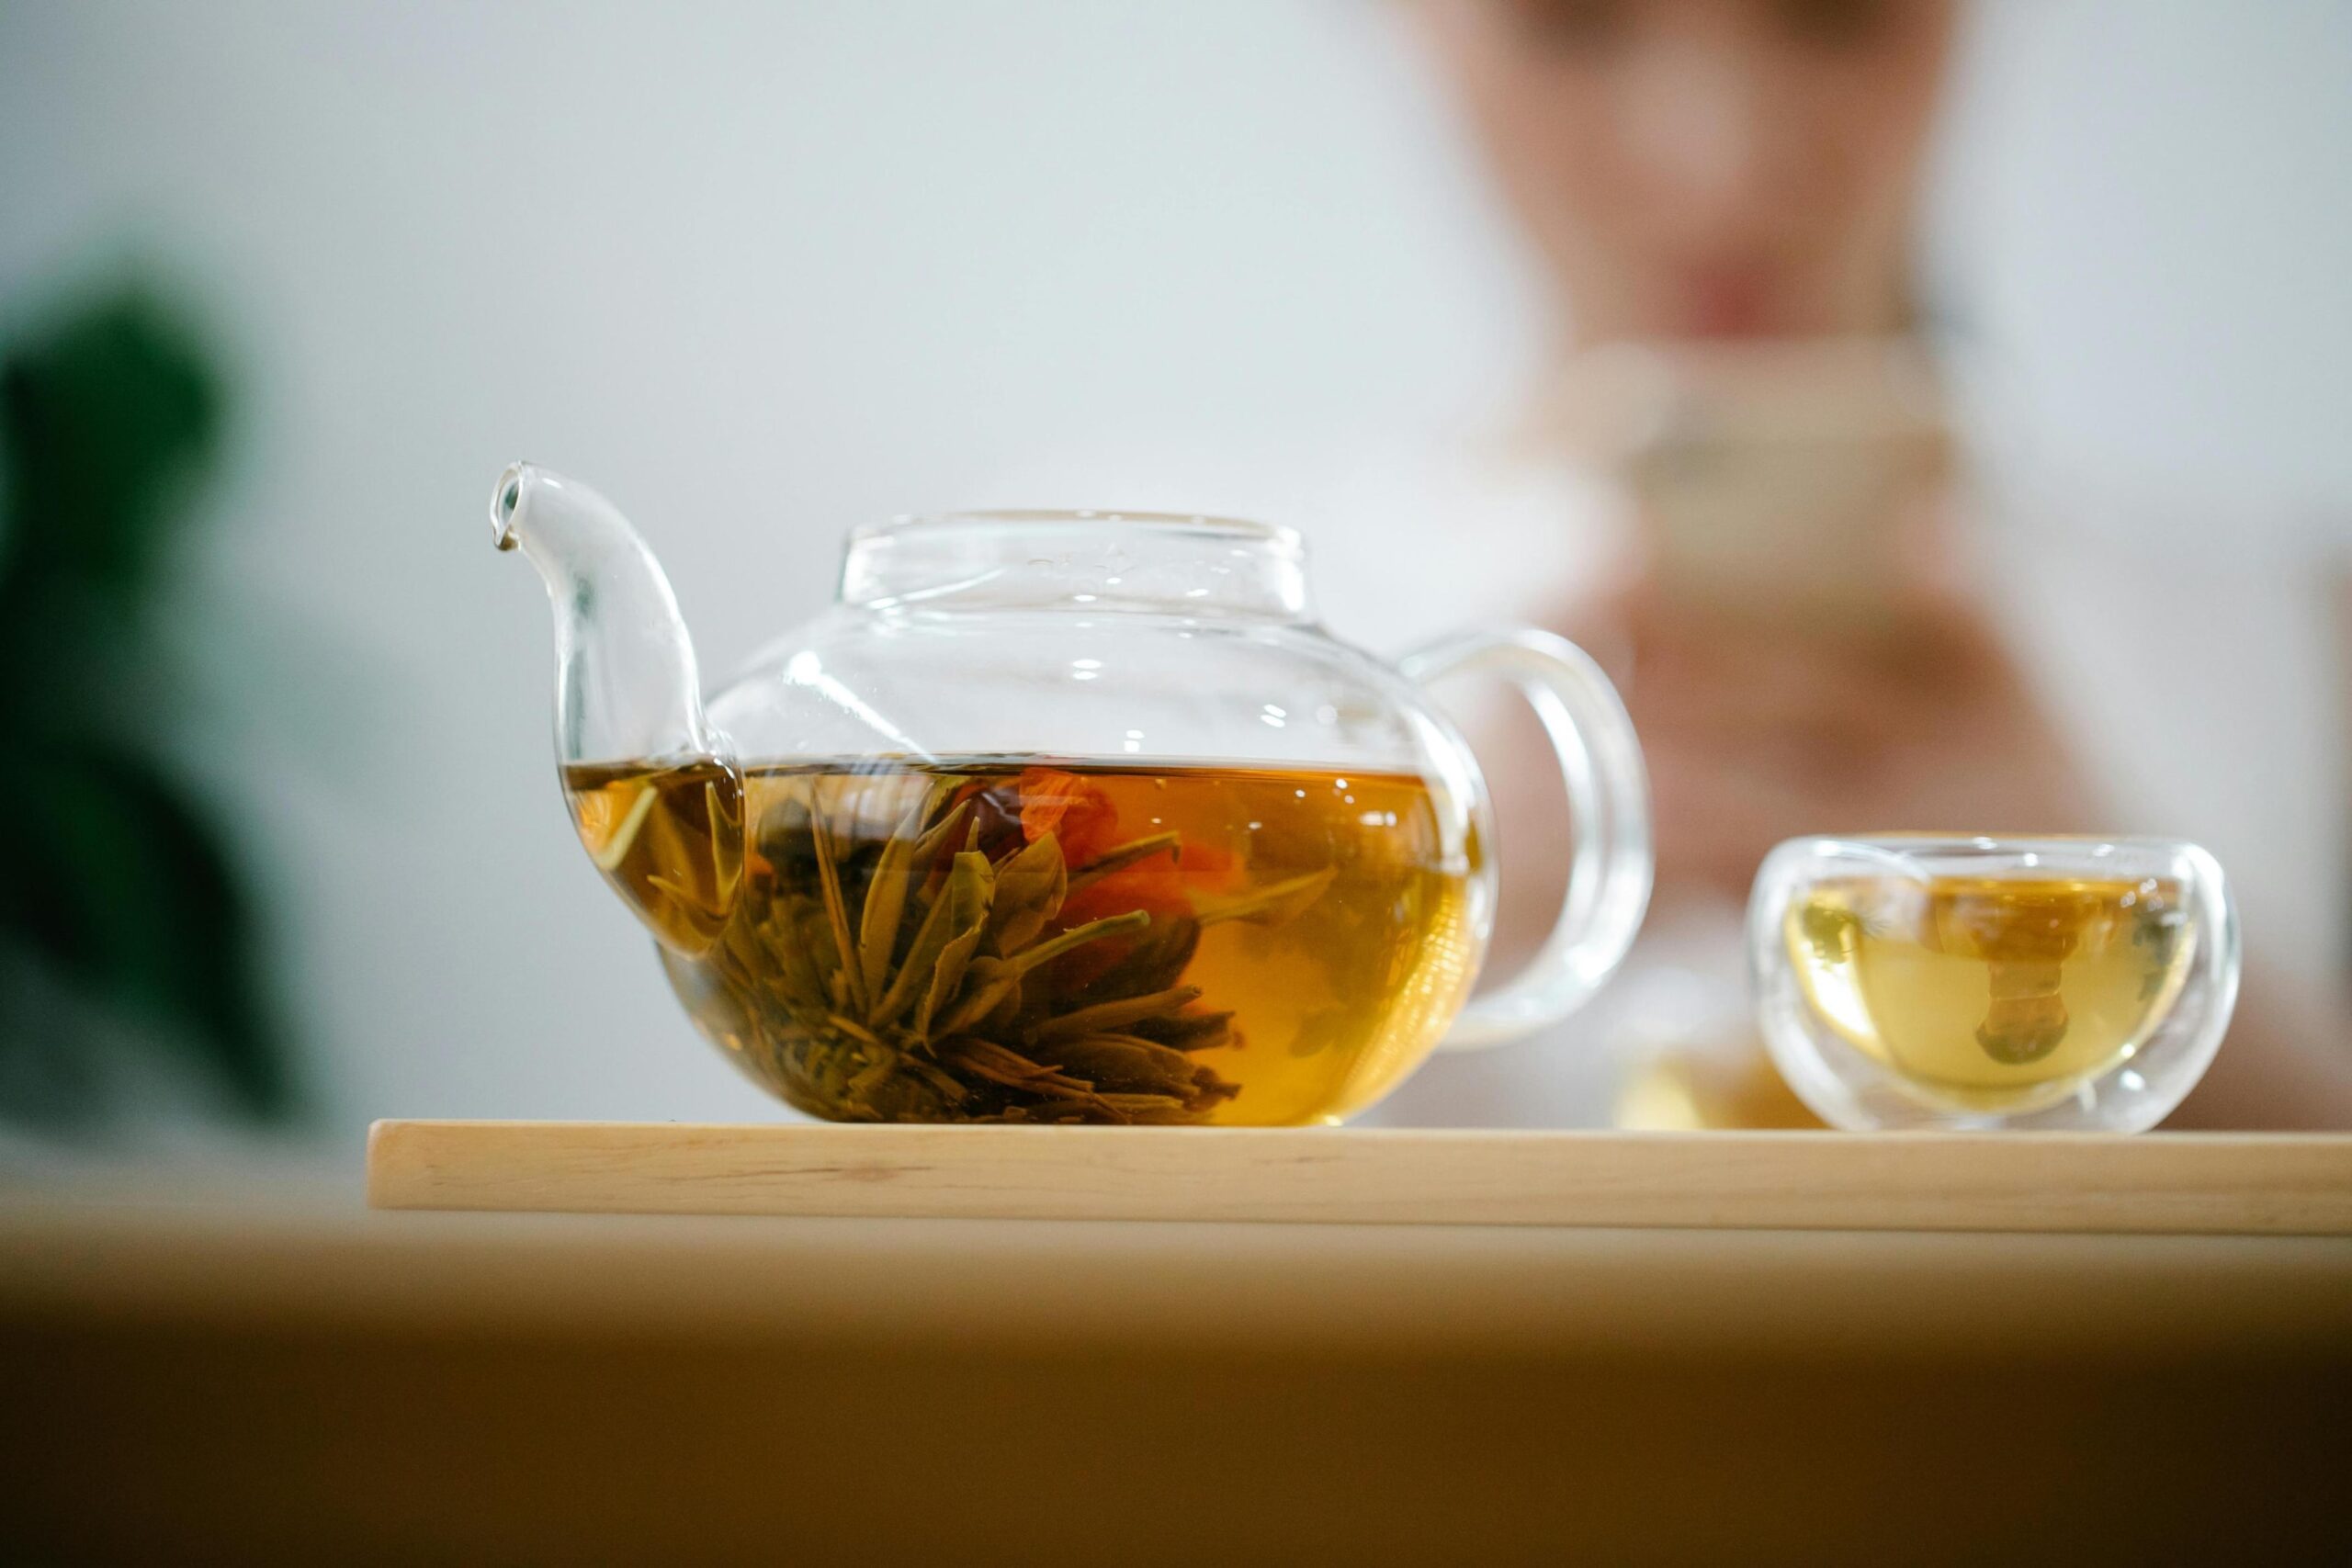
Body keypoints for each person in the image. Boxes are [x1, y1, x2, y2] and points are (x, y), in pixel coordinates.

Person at [1364, 0, 2352, 1127]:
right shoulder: (1202, 671)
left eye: (1837, 20)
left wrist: (2110, 944)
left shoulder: (2293, 640)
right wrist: (1394, 924)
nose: (1716, 167)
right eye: (1571, 28)